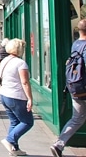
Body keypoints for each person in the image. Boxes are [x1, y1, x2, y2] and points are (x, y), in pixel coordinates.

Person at [51, 19, 86, 157]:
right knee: (78, 118)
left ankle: (58, 144)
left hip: (75, 86)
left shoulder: (75, 44)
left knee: (77, 118)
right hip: (84, 85)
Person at [0, 38, 33, 156]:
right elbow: (25, 82)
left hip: (4, 94)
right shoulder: (20, 63)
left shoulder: (4, 61)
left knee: (14, 122)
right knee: (27, 122)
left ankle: (14, 149)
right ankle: (10, 140)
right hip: (16, 96)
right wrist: (29, 98)